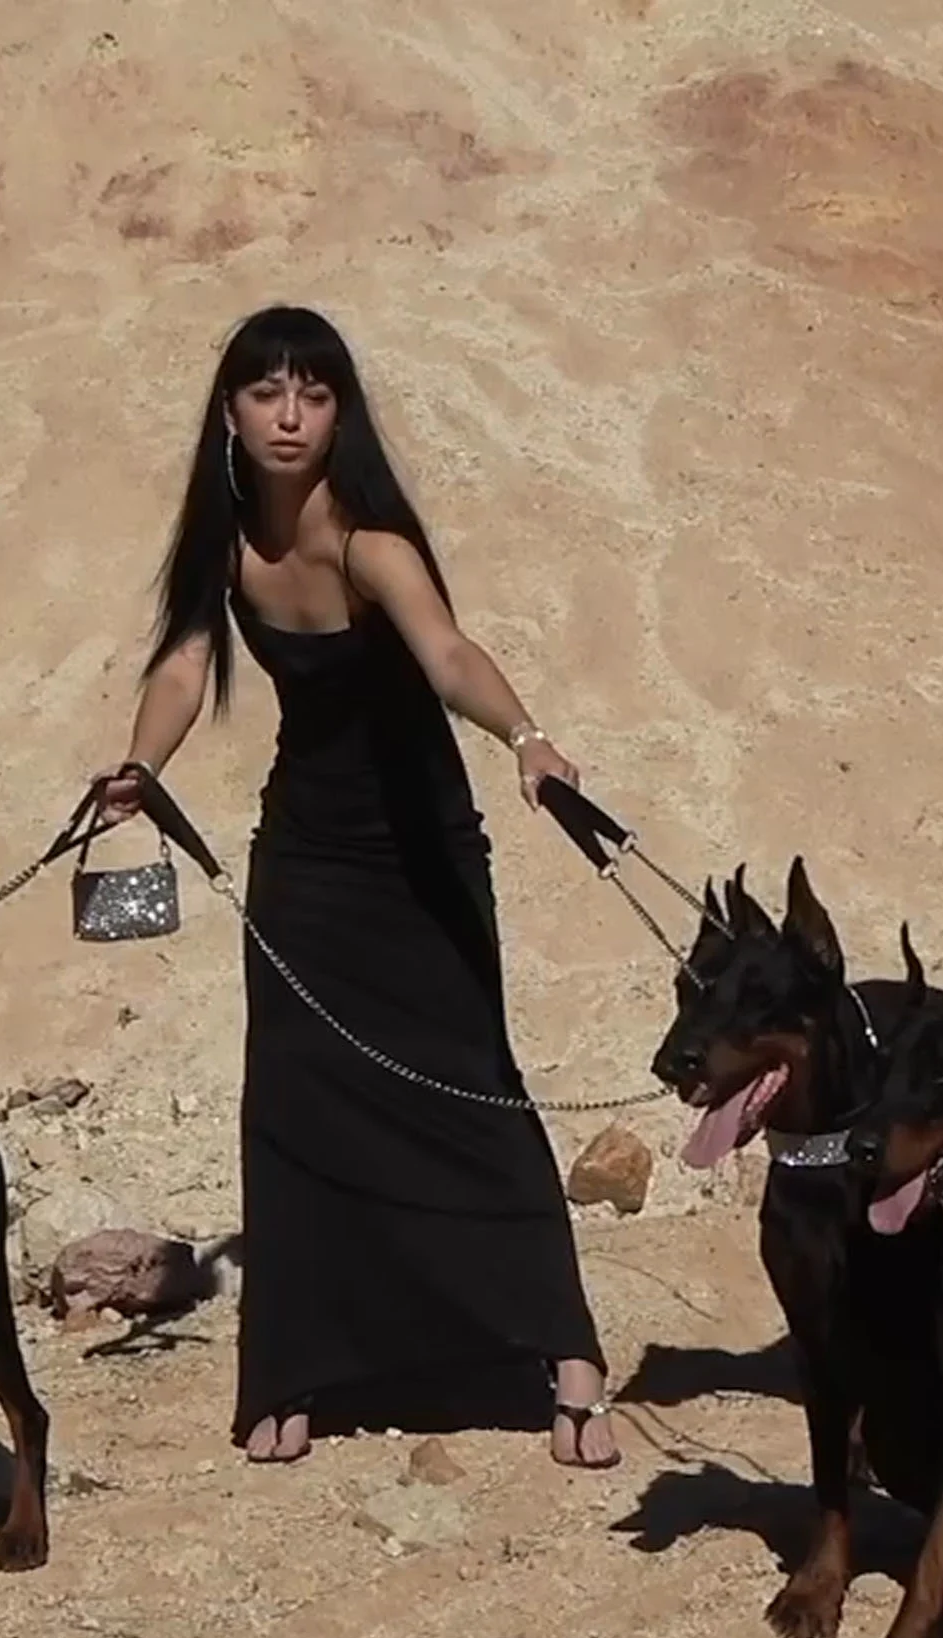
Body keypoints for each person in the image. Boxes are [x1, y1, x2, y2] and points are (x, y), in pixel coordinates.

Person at [98, 304, 619, 1470]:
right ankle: (296, 1367)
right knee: (294, 1096)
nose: (291, 416)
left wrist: (527, 738)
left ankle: (566, 1354)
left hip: (420, 849)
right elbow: (186, 661)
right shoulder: (223, 537)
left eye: (316, 393)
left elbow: (447, 655)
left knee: (474, 1084)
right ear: (230, 410)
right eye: (267, 392)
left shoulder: (370, 540)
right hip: (309, 857)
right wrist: (141, 765)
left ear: (342, 411)